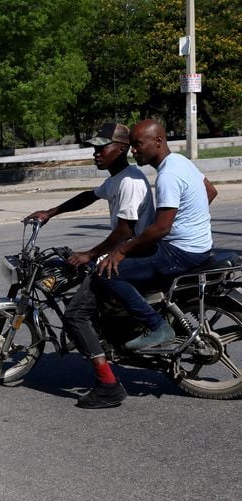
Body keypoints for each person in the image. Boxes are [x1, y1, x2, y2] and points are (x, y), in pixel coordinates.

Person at [24, 122, 155, 409]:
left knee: (74, 315)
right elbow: (88, 196)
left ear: (121, 149)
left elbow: (126, 231)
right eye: (94, 148)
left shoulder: (130, 182)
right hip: (126, 252)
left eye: (101, 148)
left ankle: (108, 384)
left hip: (131, 256)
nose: (96, 153)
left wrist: (90, 253)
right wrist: (51, 212)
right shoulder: (117, 178)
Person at [95, 119, 216, 373]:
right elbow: (211, 191)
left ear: (158, 142)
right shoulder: (181, 161)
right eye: (132, 146)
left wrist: (121, 250)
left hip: (180, 252)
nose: (134, 151)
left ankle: (158, 326)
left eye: (138, 145)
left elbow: (161, 228)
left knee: (107, 273)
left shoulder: (168, 175)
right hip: (199, 246)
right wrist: (192, 220)